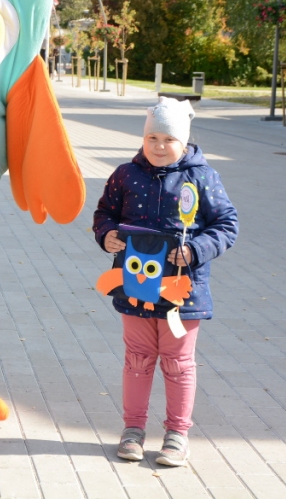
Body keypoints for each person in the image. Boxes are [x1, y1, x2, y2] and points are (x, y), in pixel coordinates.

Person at [93, 97, 238, 466]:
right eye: (152, 137)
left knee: (177, 363)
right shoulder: (125, 174)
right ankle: (133, 430)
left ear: (184, 141)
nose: (159, 146)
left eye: (168, 139)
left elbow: (227, 224)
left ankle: (176, 434)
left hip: (182, 293)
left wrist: (196, 250)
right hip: (136, 286)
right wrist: (106, 233)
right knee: (137, 359)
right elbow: (105, 212)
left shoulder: (202, 176)